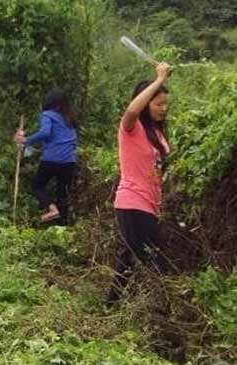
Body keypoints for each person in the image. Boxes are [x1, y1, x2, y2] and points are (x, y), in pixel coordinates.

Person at [108, 63, 172, 304]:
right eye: (158, 104)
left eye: (165, 104)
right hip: (133, 203)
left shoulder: (157, 133)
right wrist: (158, 80)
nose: (163, 109)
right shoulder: (131, 129)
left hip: (149, 203)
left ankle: (111, 304)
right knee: (154, 260)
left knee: (128, 259)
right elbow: (131, 111)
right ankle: (161, 313)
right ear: (146, 104)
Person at [15, 89, 78, 225]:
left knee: (37, 186)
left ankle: (52, 208)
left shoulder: (48, 115)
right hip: (69, 161)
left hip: (52, 159)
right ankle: (63, 227)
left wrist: (26, 140)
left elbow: (45, 133)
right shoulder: (69, 119)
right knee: (62, 193)